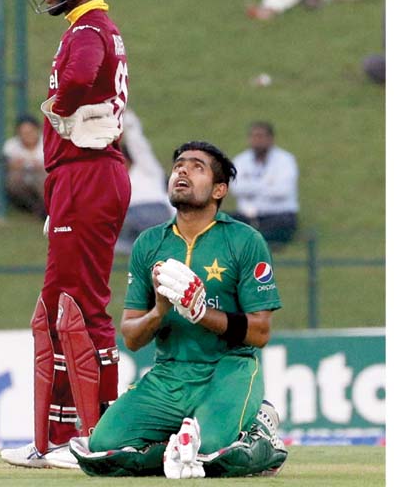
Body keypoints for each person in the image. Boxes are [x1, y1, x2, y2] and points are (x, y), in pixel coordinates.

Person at [68, 141, 288, 478]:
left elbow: (260, 333)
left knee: (209, 452)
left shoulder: (245, 241)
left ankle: (260, 432)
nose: (182, 171)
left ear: (219, 189)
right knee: (102, 449)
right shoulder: (149, 243)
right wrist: (159, 310)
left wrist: (201, 314)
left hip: (228, 370)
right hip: (169, 374)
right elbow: (131, 336)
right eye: (178, 165)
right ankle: (183, 447)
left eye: (197, 166)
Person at [0, 0, 131, 470]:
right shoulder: (90, 26)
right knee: (58, 307)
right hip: (77, 176)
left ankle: (98, 438)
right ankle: (56, 437)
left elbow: (79, 77)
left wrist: (59, 105)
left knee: (81, 307)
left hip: (88, 174)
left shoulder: (89, 28)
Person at [115, 109, 174, 256]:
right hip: (131, 221)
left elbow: (139, 146)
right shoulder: (112, 183)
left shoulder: (145, 169)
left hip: (156, 210)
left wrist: (127, 119)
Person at [230, 122, 299, 247]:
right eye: (254, 136)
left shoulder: (285, 160)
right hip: (247, 215)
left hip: (278, 215)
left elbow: (282, 191)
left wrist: (250, 186)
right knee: (225, 220)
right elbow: (236, 188)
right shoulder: (241, 160)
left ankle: (256, 244)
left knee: (284, 224)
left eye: (261, 136)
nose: (257, 140)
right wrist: (267, 184)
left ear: (270, 139)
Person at [3, 113, 47, 219]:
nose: (28, 135)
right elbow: (8, 164)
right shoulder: (11, 146)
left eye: (31, 132)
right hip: (22, 180)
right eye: (24, 133)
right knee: (14, 179)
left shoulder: (47, 143)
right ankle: (37, 209)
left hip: (42, 178)